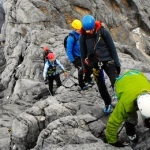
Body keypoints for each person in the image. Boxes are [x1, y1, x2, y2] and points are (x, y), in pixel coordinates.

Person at [80, 14, 121, 113]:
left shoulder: (103, 32)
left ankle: (121, 101)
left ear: (94, 26)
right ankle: (108, 103)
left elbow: (112, 48)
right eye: (87, 30)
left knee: (115, 81)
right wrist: (85, 69)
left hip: (107, 60)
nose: (89, 32)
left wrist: (117, 64)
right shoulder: (83, 37)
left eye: (90, 29)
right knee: (100, 85)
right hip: (94, 63)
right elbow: (83, 54)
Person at [105, 69, 150, 147]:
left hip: (138, 75)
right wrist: (112, 141)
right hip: (121, 81)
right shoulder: (126, 104)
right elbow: (113, 122)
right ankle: (130, 133)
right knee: (132, 119)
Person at [66, 19, 93, 90]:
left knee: (90, 66)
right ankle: (82, 84)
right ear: (74, 28)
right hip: (77, 57)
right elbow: (69, 51)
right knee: (81, 69)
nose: (80, 30)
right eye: (78, 29)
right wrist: (73, 60)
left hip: (83, 55)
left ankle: (88, 78)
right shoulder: (71, 38)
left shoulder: (81, 34)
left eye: (81, 28)